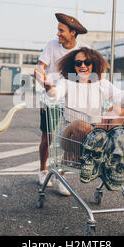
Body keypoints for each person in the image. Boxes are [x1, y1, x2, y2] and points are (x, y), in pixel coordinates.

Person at [35, 47, 124, 163]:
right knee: (81, 125)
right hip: (71, 133)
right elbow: (55, 95)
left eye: (87, 62)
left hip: (96, 132)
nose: (83, 66)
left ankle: (104, 147)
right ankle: (89, 151)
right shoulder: (67, 82)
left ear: (93, 64)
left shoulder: (101, 83)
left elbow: (123, 98)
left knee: (118, 110)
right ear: (73, 66)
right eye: (78, 63)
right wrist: (49, 88)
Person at [34, 13, 89, 196]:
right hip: (51, 98)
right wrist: (40, 75)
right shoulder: (51, 46)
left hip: (72, 101)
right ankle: (43, 169)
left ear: (73, 32)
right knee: (47, 137)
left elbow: (90, 71)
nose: (58, 34)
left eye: (62, 30)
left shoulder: (83, 50)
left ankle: (61, 175)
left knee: (71, 137)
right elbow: (40, 67)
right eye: (58, 30)